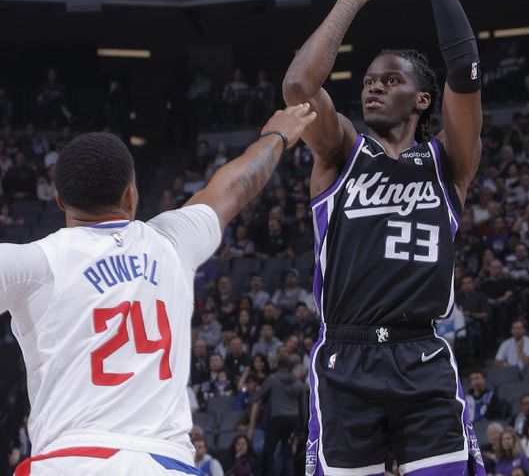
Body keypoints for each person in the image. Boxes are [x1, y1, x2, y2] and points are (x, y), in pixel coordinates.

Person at [282, 0, 485, 474]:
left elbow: (466, 71)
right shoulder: (341, 149)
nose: (373, 85)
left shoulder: (449, 162)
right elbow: (298, 89)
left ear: (423, 98)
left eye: (389, 80)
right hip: (345, 357)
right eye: (369, 79)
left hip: (423, 353)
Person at [0, 105, 314, 473]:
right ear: (131, 195)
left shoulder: (35, 263)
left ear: (59, 201)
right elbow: (232, 186)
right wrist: (276, 138)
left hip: (69, 460)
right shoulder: (171, 241)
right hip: (163, 462)